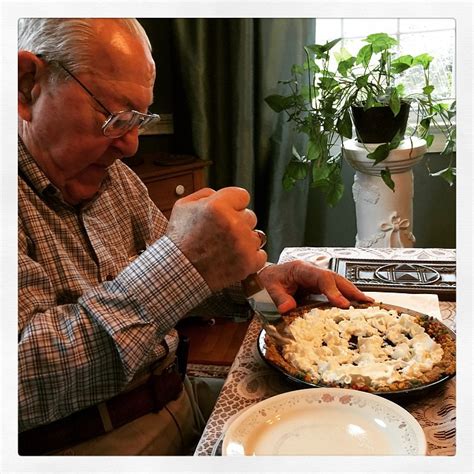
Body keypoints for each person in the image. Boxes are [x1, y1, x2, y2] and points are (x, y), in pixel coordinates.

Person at [17, 18, 373, 456]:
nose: (130, 145)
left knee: (349, 427)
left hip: (181, 398)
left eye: (138, 119)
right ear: (26, 84)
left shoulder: (118, 182)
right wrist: (184, 259)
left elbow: (183, 287)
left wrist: (264, 281)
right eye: (114, 116)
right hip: (90, 442)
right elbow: (20, 379)